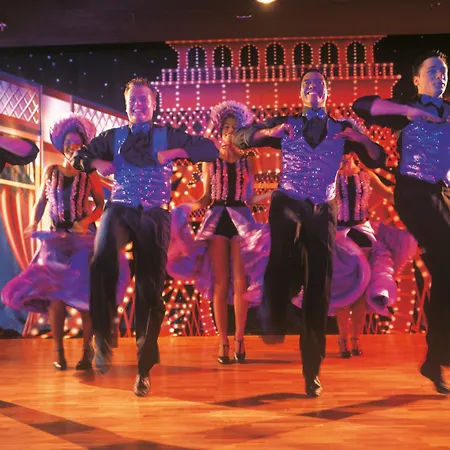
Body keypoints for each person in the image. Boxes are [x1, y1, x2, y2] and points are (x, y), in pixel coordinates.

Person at [234, 68, 385, 397]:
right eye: (307, 83)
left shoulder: (342, 130)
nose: (313, 87)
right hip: (288, 202)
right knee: (284, 255)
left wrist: (361, 139)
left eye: (319, 83)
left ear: (327, 92)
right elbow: (240, 138)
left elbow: (377, 159)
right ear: (300, 93)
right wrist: (269, 131)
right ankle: (276, 301)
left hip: (322, 210)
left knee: (319, 284)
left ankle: (312, 369)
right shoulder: (286, 124)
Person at [72, 77, 219, 396]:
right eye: (132, 100)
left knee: (149, 287)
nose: (137, 105)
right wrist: (97, 162)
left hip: (154, 213)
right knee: (101, 261)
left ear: (154, 105)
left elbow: (210, 149)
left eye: (143, 100)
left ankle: (144, 368)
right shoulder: (112, 136)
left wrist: (175, 152)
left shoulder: (167, 135)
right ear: (125, 106)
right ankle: (103, 339)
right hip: (121, 208)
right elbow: (77, 158)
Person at [353, 50, 450, 394]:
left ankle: (434, 360)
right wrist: (411, 111)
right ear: (416, 79)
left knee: (445, 274)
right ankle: (439, 355)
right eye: (432, 71)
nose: (439, 76)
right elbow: (362, 105)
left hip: (439, 195)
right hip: (412, 192)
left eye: (443, 72)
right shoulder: (407, 110)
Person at [1, 115, 108, 371]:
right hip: (55, 241)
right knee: (56, 298)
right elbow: (41, 203)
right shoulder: (51, 171)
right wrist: (32, 223)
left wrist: (86, 221)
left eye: (77, 142)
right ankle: (58, 351)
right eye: (68, 142)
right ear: (62, 144)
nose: (72, 146)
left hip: (82, 240)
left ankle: (87, 351)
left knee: (85, 298)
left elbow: (100, 205)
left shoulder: (89, 173)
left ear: (83, 145)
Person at [168, 101, 270, 364]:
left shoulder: (249, 159)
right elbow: (205, 197)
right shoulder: (209, 158)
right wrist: (185, 208)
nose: (229, 132)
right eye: (226, 128)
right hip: (216, 218)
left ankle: (240, 339)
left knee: (240, 282)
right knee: (220, 283)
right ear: (220, 130)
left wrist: (273, 194)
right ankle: (223, 341)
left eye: (234, 128)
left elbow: (250, 197)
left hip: (242, 218)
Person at [331, 153, 416, 358]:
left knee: (361, 291)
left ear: (353, 153)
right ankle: (343, 340)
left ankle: (355, 339)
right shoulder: (331, 176)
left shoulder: (367, 175)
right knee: (343, 290)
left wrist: (414, 209)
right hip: (341, 237)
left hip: (363, 234)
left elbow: (388, 195)